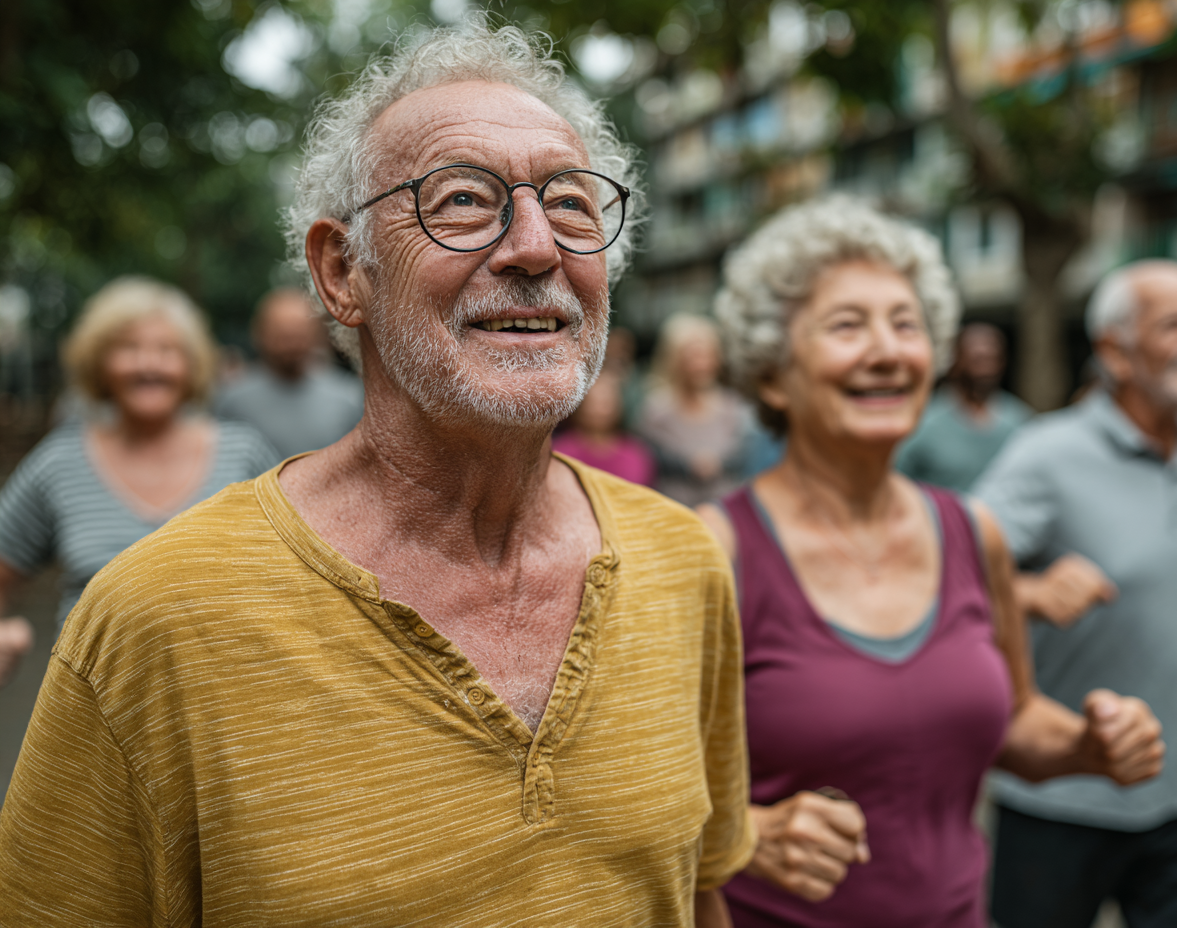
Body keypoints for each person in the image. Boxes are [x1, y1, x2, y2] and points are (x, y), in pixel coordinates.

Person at [0, 21, 754, 927]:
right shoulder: (156, 618)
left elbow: (701, 897)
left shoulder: (684, 563)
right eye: (465, 200)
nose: (535, 247)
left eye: (571, 204)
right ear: (341, 272)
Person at [696, 198, 1164, 928]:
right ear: (771, 375)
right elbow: (633, 795)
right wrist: (744, 838)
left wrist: (1086, 746)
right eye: (848, 326)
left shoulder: (974, 532)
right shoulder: (713, 552)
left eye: (906, 325)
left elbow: (1012, 719)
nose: (887, 350)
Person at [976, 259, 1177, 928]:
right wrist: (1026, 592)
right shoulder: (1047, 454)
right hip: (1060, 799)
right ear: (1114, 350)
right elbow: (942, 561)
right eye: (1176, 323)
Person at [0, 277, 278, 637]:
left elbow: (300, 572)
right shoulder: (58, 462)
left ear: (192, 364)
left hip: (230, 690)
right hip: (93, 693)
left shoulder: (245, 454)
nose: (149, 365)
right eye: (129, 348)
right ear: (98, 363)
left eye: (167, 350)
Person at [214, 287, 364, 458]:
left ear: (316, 335)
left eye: (299, 335)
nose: (290, 345)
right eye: (282, 336)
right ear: (259, 334)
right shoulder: (232, 401)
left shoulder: (348, 398)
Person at [896, 322, 1031, 491]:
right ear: (955, 361)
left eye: (992, 358)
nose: (985, 369)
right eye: (976, 359)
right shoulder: (923, 421)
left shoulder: (1019, 421)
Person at [637, 312, 754, 506]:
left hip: (725, 512)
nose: (700, 364)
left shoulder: (733, 407)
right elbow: (647, 457)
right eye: (691, 356)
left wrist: (718, 464)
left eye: (706, 355)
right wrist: (685, 466)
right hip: (674, 510)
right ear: (675, 359)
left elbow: (745, 457)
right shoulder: (656, 410)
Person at [553, 370, 655, 485]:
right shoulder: (561, 451)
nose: (599, 410)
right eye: (593, 402)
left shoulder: (635, 455)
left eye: (605, 402)